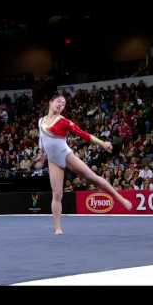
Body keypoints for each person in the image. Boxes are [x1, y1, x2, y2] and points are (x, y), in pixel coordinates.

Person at [37, 94, 132, 235]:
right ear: (50, 102)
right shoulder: (41, 121)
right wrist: (41, 155)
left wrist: (102, 144)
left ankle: (120, 198)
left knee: (92, 177)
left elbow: (84, 134)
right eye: (58, 102)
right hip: (53, 161)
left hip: (66, 156)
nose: (61, 105)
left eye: (63, 104)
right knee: (57, 194)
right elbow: (42, 140)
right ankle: (57, 228)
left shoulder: (63, 121)